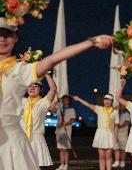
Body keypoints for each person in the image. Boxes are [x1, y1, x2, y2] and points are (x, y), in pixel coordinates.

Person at [0, 17, 113, 170]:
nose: (2, 38)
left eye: (7, 34)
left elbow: (53, 59)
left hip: (12, 141)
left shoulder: (21, 69)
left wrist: (91, 42)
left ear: (16, 37)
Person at [73, 94, 119, 170]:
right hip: (100, 134)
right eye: (105, 99)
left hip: (110, 135)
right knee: (101, 157)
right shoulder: (99, 109)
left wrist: (116, 138)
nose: (107, 101)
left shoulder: (115, 112)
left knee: (109, 157)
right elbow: (88, 105)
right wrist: (79, 99)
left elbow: (116, 126)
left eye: (109, 100)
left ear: (112, 101)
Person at [20, 73, 56, 168]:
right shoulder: (22, 101)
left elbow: (53, 89)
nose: (32, 88)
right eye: (30, 86)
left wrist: (46, 73)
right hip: (22, 139)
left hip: (36, 139)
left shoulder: (43, 103)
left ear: (40, 89)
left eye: (35, 86)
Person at [54, 95, 76, 170]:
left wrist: (64, 124)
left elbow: (72, 120)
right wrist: (57, 101)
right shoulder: (59, 109)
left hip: (67, 131)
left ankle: (66, 164)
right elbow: (52, 110)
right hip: (59, 131)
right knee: (60, 149)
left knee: (66, 149)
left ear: (69, 101)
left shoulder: (71, 109)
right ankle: (62, 164)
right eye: (63, 99)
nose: (64, 101)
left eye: (66, 99)